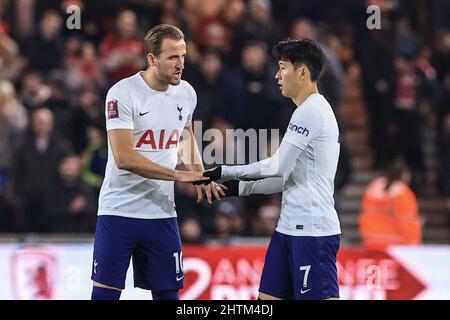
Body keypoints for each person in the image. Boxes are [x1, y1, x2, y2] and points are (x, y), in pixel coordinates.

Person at [91, 24, 224, 300]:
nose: (181, 65)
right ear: (152, 59)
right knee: (105, 295)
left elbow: (184, 135)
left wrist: (199, 174)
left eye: (183, 56)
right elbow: (124, 157)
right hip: (119, 212)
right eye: (173, 57)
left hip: (162, 214)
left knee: (168, 296)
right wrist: (179, 176)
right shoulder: (122, 93)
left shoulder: (186, 93)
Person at [200, 39, 341, 300]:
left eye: (282, 68)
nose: (276, 75)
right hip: (287, 228)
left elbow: (277, 166)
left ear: (302, 72)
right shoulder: (302, 111)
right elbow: (281, 180)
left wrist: (224, 172)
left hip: (312, 231)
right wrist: (235, 188)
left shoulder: (313, 111)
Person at [359, 159, 423, 250]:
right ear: (404, 175)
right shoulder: (402, 193)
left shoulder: (372, 189)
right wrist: (414, 243)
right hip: (396, 246)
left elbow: (364, 215)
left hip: (371, 242)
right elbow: (408, 222)